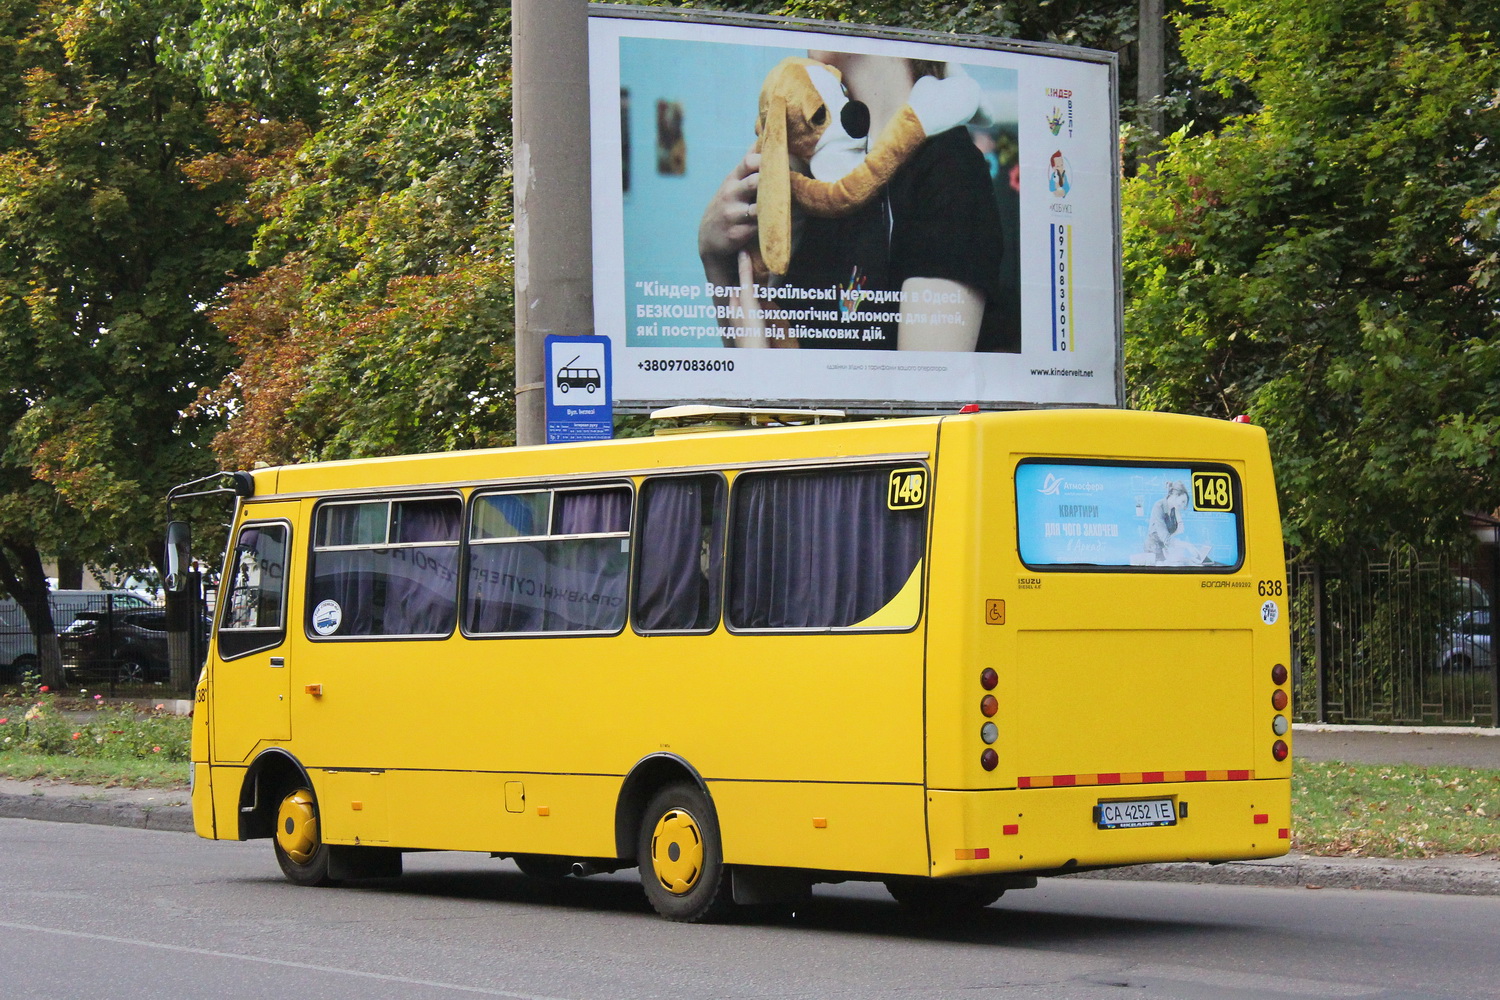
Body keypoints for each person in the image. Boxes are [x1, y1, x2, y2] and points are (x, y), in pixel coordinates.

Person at [698, 52, 1012, 352]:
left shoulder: (947, 168)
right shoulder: (822, 179)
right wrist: (714, 257)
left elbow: (923, 396)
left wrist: (764, 377)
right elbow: (757, 349)